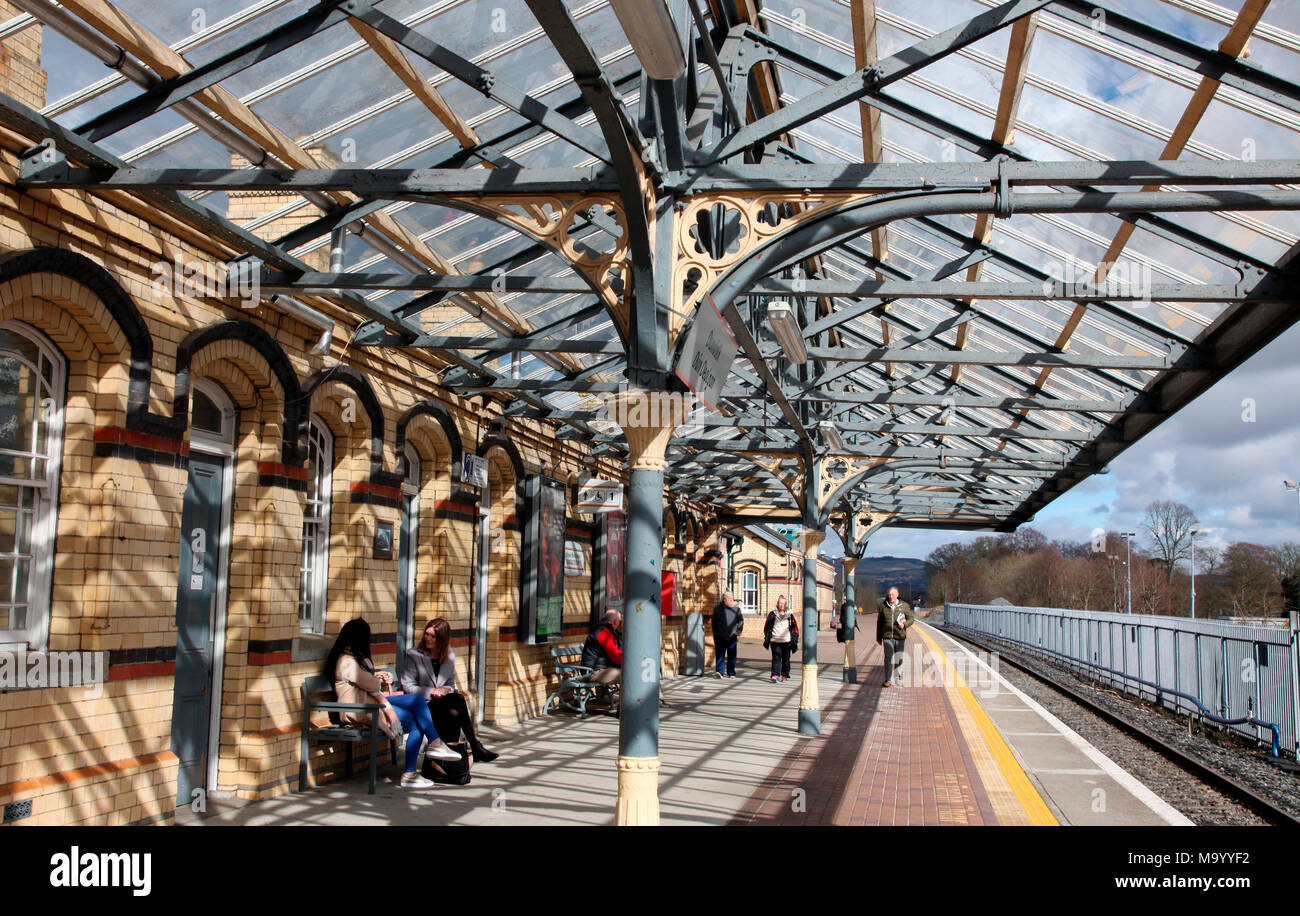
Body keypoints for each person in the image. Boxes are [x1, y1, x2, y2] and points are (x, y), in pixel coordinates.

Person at [324, 617, 460, 790]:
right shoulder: (346, 661)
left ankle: (432, 746)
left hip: (370, 702)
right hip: (358, 709)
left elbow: (367, 681)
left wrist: (377, 676)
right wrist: (376, 680)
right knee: (417, 720)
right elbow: (370, 683)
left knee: (417, 702)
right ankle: (417, 764)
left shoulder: (352, 658)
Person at [402, 617, 499, 763]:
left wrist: (445, 689)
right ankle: (475, 746)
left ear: (442, 639)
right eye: (427, 634)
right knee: (457, 703)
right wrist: (432, 691)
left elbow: (450, 684)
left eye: (433, 636)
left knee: (455, 705)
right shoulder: (414, 655)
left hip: (442, 702)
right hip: (423, 703)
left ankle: (461, 753)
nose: (428, 638)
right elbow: (407, 686)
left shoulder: (449, 656)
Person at [582, 609, 623, 711]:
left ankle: (621, 703)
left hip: (599, 669)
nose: (621, 624)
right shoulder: (604, 633)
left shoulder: (607, 631)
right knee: (628, 675)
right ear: (615, 622)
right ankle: (623, 707)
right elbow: (615, 657)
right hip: (593, 672)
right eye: (620, 621)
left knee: (628, 673)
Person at [875, 587, 914, 688]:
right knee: (888, 658)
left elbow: (911, 619)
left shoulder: (904, 606)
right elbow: (879, 623)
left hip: (900, 636)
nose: (890, 596)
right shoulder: (883, 606)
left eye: (892, 595)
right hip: (887, 636)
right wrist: (879, 637)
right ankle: (888, 679)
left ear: (897, 595)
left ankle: (898, 678)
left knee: (899, 658)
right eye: (889, 595)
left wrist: (905, 624)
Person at [762, 594, 798, 683]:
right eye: (780, 603)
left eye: (783, 603)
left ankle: (785, 675)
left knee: (786, 659)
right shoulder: (772, 614)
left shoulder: (790, 615)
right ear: (777, 604)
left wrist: (794, 639)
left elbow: (795, 628)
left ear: (785, 605)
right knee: (776, 658)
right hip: (775, 640)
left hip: (787, 641)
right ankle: (775, 675)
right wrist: (768, 637)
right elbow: (767, 626)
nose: (781, 605)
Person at [712, 592, 744, 678]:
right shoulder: (717, 609)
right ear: (724, 599)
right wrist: (715, 633)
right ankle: (719, 672)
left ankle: (731, 673)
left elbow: (740, 620)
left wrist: (739, 629)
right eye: (730, 599)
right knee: (720, 655)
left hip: (732, 637)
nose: (732, 600)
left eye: (732, 598)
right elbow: (714, 622)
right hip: (720, 636)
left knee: (732, 656)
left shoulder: (736, 609)